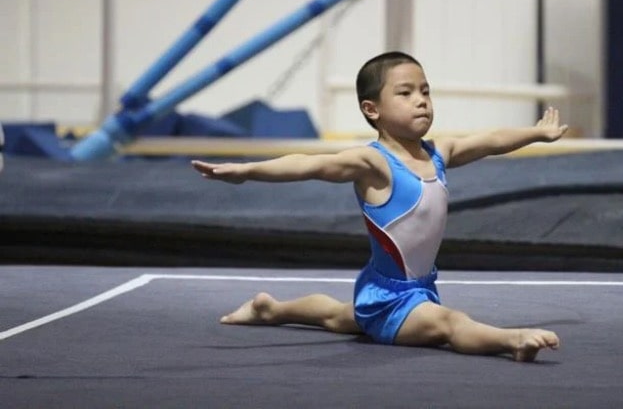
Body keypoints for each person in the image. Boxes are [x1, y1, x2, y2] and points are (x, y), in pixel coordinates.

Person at [191, 51, 567, 361]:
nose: (421, 100)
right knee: (449, 324)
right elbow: (308, 163)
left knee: (339, 316)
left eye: (425, 91)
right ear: (372, 110)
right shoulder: (374, 164)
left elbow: (492, 140)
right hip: (391, 299)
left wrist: (536, 133)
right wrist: (248, 170)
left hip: (408, 288)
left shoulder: (439, 153)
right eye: (405, 93)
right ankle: (513, 340)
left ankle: (270, 309)